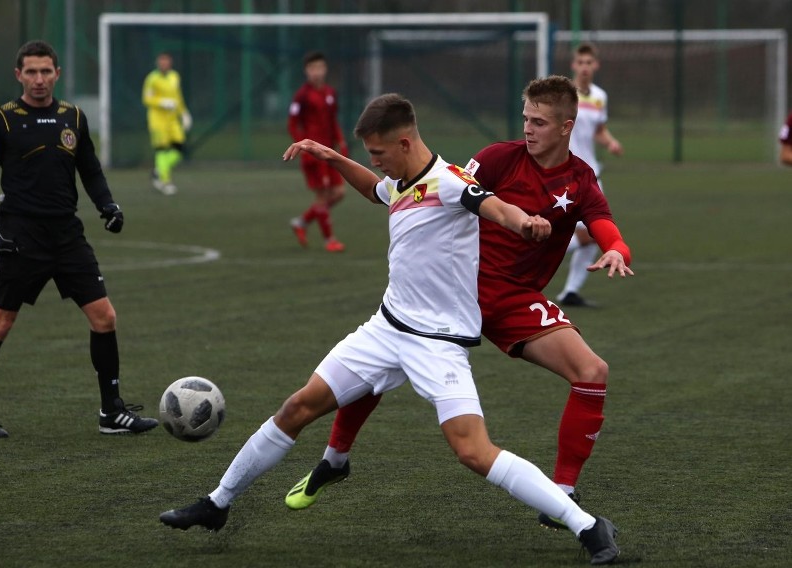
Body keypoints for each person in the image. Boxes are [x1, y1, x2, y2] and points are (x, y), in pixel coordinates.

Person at [160, 93, 619, 564]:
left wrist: (526, 223)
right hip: (385, 329)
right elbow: (374, 190)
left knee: (474, 451)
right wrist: (334, 157)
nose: (375, 162)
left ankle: (586, 526)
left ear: (403, 143)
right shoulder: (403, 180)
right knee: (297, 407)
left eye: (378, 154)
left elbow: (496, 207)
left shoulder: (450, 183)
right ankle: (217, 503)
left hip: (437, 343)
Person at [284, 77, 633, 535]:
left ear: (567, 127)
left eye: (539, 122)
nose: (528, 128)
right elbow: (435, 191)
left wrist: (616, 251)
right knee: (385, 349)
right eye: (525, 117)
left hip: (513, 300)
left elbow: (606, 227)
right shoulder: (496, 158)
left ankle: (562, 492)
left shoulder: (581, 180)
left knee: (592, 372)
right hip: (458, 288)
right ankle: (335, 458)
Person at [0, 40, 159, 438]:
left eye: (45, 71)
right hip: (21, 235)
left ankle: (111, 411)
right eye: (31, 72)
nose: (39, 79)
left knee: (104, 317)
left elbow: (90, 170)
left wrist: (108, 205)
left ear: (57, 74)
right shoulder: (0, 120)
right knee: (0, 323)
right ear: (18, 75)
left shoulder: (74, 117)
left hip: (67, 235)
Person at [556, 42, 623, 307]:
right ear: (574, 65)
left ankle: (570, 291)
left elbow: (599, 130)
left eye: (589, 63)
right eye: (580, 62)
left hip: (591, 174)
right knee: (582, 232)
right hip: (565, 173)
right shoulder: (563, 96)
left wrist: (611, 142)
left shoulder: (599, 96)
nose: (584, 67)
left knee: (594, 234)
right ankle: (532, 250)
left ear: (596, 65)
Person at [287, 51, 348, 252]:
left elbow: (333, 121)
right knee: (322, 197)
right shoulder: (302, 96)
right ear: (306, 71)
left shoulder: (330, 93)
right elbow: (293, 124)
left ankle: (302, 222)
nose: (316, 72)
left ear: (325, 69)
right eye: (312, 68)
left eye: (319, 68)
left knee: (339, 193)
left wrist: (341, 141)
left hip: (329, 151)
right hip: (313, 154)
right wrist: (301, 146)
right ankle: (329, 239)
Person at [142, 51, 191, 195]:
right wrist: (161, 102)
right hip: (158, 121)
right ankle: (165, 181)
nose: (164, 64)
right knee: (162, 149)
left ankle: (159, 170)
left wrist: (184, 113)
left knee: (180, 149)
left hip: (173, 120)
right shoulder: (152, 79)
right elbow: (146, 99)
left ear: (170, 62)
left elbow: (178, 97)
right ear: (158, 63)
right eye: (161, 61)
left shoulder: (175, 76)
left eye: (167, 61)